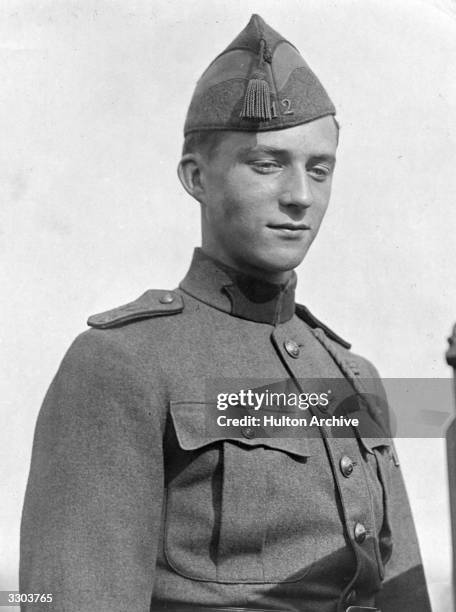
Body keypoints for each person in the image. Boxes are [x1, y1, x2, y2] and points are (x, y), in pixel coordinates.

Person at [20, 14, 431, 612]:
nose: (301, 195)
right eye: (268, 164)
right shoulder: (121, 363)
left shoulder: (354, 376)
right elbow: (72, 598)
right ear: (196, 178)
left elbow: (403, 592)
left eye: (320, 168)